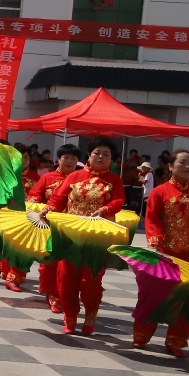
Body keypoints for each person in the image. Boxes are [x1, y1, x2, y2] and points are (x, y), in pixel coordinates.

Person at [39, 141, 124, 335]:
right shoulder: (75, 176)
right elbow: (58, 198)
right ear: (89, 155)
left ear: (111, 159)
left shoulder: (114, 180)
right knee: (67, 278)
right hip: (71, 235)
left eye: (106, 154)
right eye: (97, 153)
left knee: (90, 280)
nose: (101, 157)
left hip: (98, 238)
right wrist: (47, 209)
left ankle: (91, 315)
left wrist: (105, 209)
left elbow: (118, 200)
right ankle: (70, 317)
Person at [133, 150, 189, 357]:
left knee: (184, 298)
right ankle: (141, 335)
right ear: (170, 166)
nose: (188, 167)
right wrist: (155, 241)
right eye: (182, 162)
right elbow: (151, 218)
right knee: (153, 295)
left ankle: (176, 340)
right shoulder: (160, 192)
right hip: (165, 253)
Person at [0, 150, 48, 293]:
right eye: (19, 158)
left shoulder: (36, 177)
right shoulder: (6, 175)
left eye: (26, 157)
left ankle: (14, 276)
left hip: (29, 215)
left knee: (23, 247)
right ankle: (7, 272)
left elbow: (39, 194)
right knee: (9, 244)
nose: (23, 160)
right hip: (9, 213)